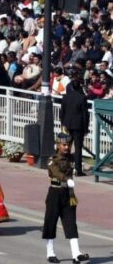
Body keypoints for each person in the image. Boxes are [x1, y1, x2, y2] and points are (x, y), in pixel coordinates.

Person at [43, 133, 89, 264]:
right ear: (58, 145)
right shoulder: (52, 160)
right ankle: (50, 253)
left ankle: (76, 254)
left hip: (68, 194)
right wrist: (66, 179)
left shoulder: (71, 158)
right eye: (64, 145)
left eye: (68, 144)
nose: (66, 147)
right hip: (55, 192)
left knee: (71, 223)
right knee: (51, 222)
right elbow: (56, 172)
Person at [60, 76, 90, 176]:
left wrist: (63, 124)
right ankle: (78, 170)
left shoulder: (66, 97)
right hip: (78, 126)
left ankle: (64, 167)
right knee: (78, 148)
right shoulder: (82, 98)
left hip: (67, 125)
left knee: (65, 147)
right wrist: (86, 128)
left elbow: (62, 112)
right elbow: (85, 115)